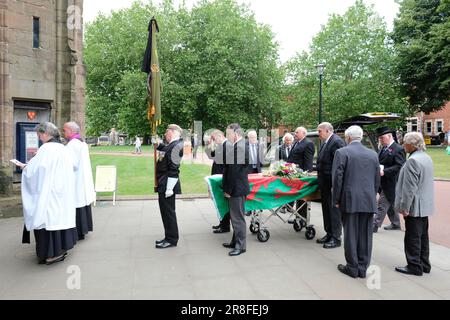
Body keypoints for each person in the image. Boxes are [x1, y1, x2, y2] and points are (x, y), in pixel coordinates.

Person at [19, 122, 77, 265]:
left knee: (47, 222)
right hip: (62, 192)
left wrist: (25, 168)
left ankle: (50, 254)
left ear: (45, 133)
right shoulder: (63, 148)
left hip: (49, 194)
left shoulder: (46, 149)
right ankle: (59, 249)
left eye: (39, 135)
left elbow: (36, 171)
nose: (39, 138)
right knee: (58, 221)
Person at [332, 125, 380, 278]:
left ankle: (352, 266)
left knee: (351, 233)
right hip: (368, 198)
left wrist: (336, 199)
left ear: (348, 138)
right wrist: (372, 195)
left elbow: (337, 178)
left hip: (350, 198)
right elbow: (377, 179)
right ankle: (362, 266)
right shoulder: (373, 154)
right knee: (366, 234)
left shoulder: (342, 152)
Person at [395, 132, 435, 276]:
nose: (403, 145)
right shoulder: (426, 157)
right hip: (424, 204)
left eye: (405, 142)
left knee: (412, 236)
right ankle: (424, 264)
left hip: (415, 205)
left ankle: (414, 265)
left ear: (412, 144)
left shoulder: (413, 161)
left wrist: (405, 207)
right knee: (423, 236)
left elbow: (409, 188)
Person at [63, 122, 95, 240]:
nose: (63, 132)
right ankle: (83, 229)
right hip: (82, 179)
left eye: (64, 130)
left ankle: (78, 231)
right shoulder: (81, 142)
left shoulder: (72, 145)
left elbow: (72, 164)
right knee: (82, 201)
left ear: (71, 131)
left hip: (76, 180)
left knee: (77, 201)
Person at [154, 124, 184, 249]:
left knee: (168, 213)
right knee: (165, 212)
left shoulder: (177, 146)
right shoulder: (172, 145)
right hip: (164, 182)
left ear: (171, 132)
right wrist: (158, 145)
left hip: (167, 184)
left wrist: (169, 188)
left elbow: (174, 169)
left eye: (166, 133)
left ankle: (171, 239)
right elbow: (164, 154)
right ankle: (168, 236)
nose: (165, 135)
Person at [316, 122, 345, 249]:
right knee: (326, 210)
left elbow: (339, 166)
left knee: (334, 211)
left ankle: (336, 237)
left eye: (319, 131)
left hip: (332, 184)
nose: (318, 134)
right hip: (325, 184)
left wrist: (336, 184)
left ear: (327, 130)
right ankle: (329, 233)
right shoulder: (326, 142)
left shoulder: (337, 142)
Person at [222, 123, 249, 256]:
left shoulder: (240, 147)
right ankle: (235, 241)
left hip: (236, 188)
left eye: (229, 134)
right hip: (237, 187)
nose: (227, 137)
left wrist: (228, 189)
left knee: (238, 218)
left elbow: (234, 172)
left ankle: (241, 246)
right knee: (235, 217)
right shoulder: (238, 146)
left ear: (236, 134)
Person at [373, 127, 406, 233]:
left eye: (382, 138)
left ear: (389, 136)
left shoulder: (398, 149)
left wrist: (385, 171)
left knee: (382, 203)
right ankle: (396, 223)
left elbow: (400, 166)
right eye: (380, 138)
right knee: (390, 202)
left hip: (392, 181)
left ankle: (374, 225)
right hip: (382, 181)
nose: (381, 140)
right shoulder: (383, 148)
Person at [205, 130, 231, 233]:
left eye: (214, 139)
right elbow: (211, 155)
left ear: (220, 136)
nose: (214, 141)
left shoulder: (227, 146)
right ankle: (222, 223)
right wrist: (209, 144)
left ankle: (225, 226)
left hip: (222, 177)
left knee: (224, 202)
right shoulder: (221, 145)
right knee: (220, 201)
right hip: (218, 176)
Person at [288, 127, 315, 219]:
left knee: (302, 198)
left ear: (304, 133)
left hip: (302, 176)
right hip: (294, 175)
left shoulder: (308, 143)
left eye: (297, 132)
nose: (295, 134)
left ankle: (302, 218)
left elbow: (308, 162)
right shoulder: (296, 142)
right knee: (298, 197)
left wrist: (306, 175)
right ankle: (298, 217)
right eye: (295, 132)